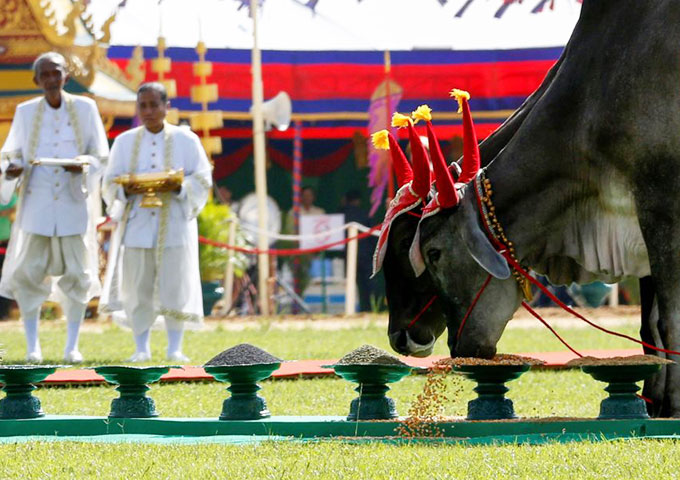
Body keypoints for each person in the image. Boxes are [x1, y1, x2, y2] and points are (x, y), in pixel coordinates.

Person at [0, 51, 109, 362]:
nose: (50, 79)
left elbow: (99, 155)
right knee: (27, 275)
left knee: (79, 274)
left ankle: (71, 345)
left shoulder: (86, 109)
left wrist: (84, 165)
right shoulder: (25, 112)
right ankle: (33, 345)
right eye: (44, 74)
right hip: (37, 207)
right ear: (36, 80)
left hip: (74, 207)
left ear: (66, 76)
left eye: (56, 73)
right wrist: (13, 171)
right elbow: (11, 155)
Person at [101, 82, 212, 362]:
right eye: (143, 106)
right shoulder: (125, 142)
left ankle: (175, 347)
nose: (149, 111)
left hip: (173, 224)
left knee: (174, 285)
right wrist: (127, 189)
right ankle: (141, 347)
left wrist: (178, 186)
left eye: (154, 105)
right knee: (138, 287)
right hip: (137, 225)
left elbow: (202, 179)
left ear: (167, 107)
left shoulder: (187, 140)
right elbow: (109, 182)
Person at [340, 189, 378, 312]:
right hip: (366, 255)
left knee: (351, 284)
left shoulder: (341, 214)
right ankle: (372, 308)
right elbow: (373, 236)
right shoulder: (365, 214)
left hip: (347, 255)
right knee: (368, 284)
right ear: (358, 201)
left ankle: (353, 309)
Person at [0, 194, 17, 320]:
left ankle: (4, 313)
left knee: (5, 278)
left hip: (5, 243)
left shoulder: (8, 192)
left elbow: (17, 206)